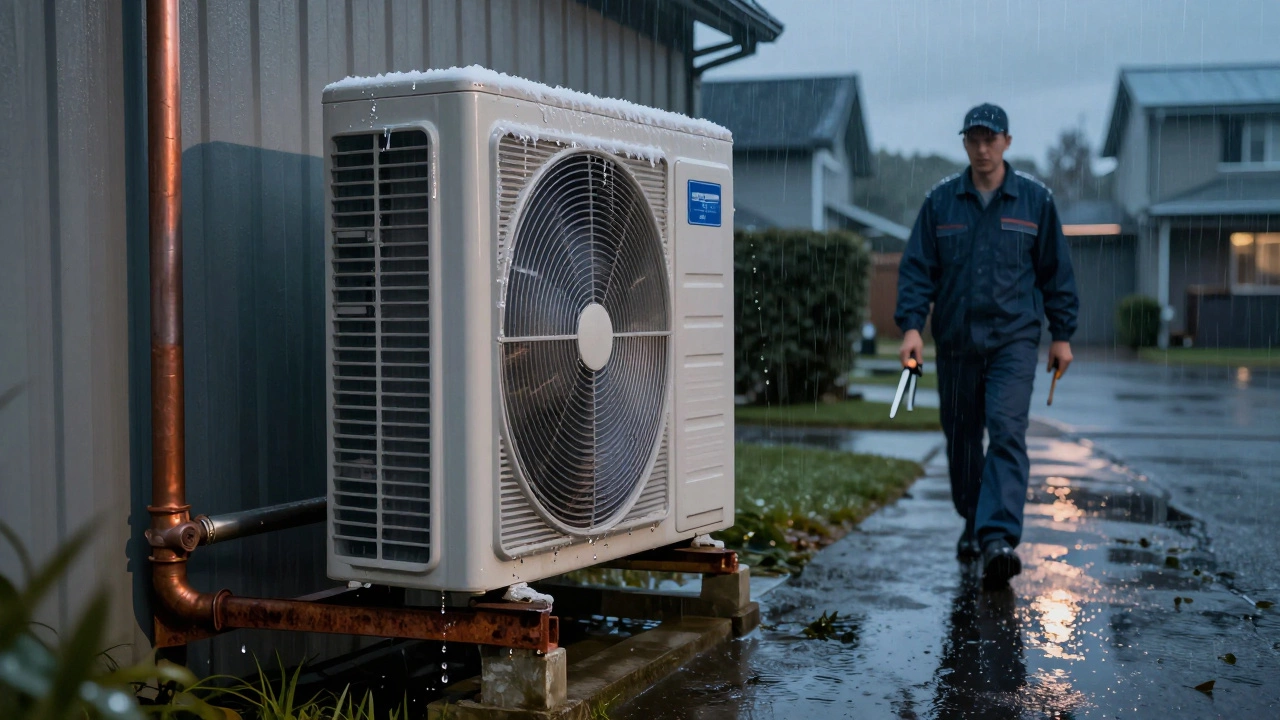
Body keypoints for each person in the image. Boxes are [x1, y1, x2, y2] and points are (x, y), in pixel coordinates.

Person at [894, 103, 1079, 589]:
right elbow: (917, 270)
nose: (982, 148)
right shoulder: (941, 202)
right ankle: (973, 522)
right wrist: (912, 327)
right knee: (962, 439)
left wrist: (1062, 334)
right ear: (964, 143)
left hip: (1013, 341)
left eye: (991, 139)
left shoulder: (1035, 201)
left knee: (1006, 431)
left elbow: (1056, 272)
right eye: (973, 139)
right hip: (955, 342)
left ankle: (997, 537)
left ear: (1007, 142)